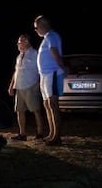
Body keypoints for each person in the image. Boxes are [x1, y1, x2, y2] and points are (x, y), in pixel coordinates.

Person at [34, 15, 66, 146]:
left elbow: (54, 53)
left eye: (36, 27)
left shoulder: (52, 36)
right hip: (45, 75)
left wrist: (64, 67)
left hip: (52, 73)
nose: (35, 30)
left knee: (53, 105)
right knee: (47, 105)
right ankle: (52, 133)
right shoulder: (46, 38)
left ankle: (57, 137)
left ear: (43, 25)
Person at [8, 34, 44, 141]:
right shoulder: (19, 56)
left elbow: (41, 69)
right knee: (20, 110)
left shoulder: (35, 54)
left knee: (36, 110)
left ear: (27, 41)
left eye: (20, 41)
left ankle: (40, 133)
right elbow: (16, 71)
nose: (18, 44)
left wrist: (38, 84)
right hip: (19, 86)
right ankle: (22, 133)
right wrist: (11, 86)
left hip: (31, 85)